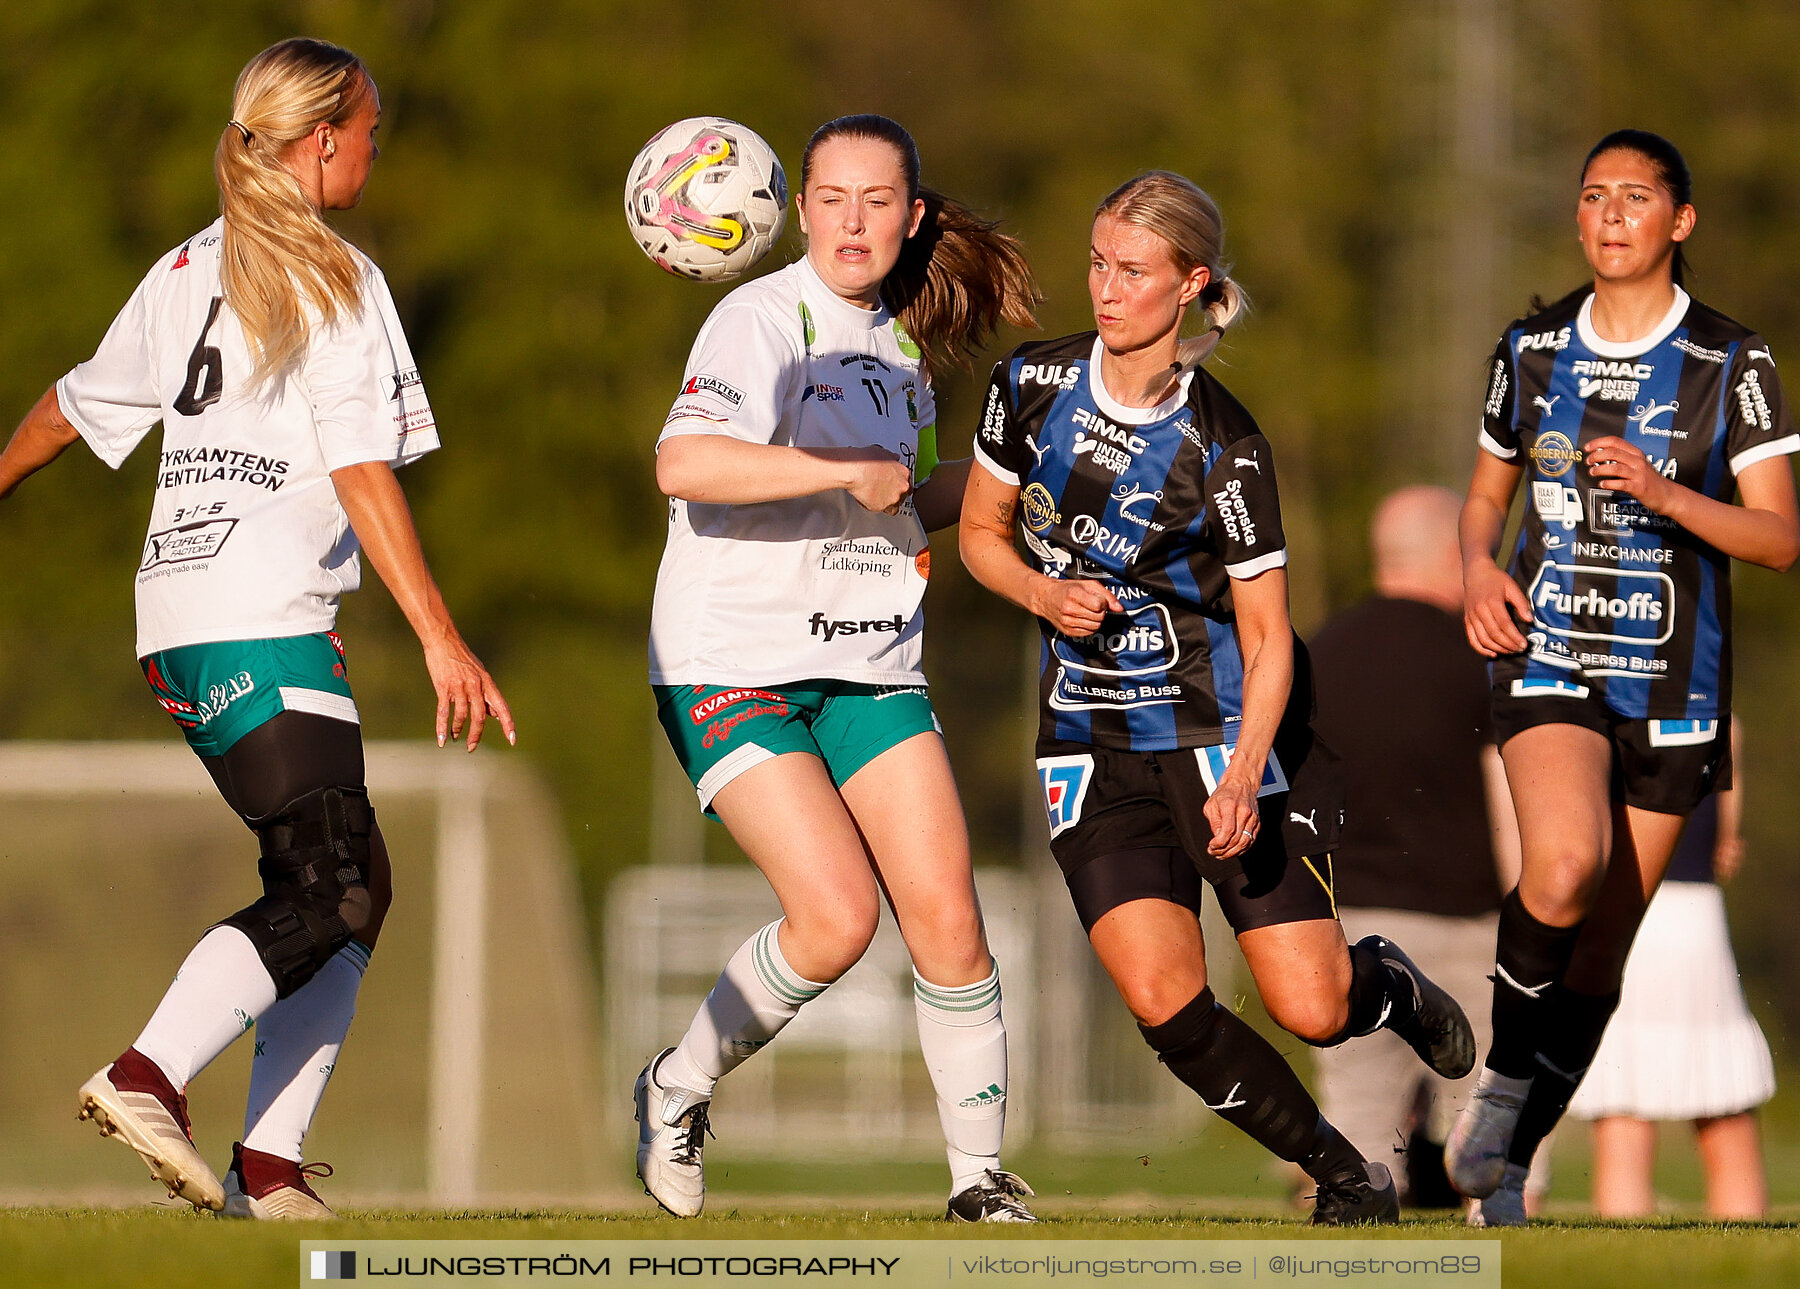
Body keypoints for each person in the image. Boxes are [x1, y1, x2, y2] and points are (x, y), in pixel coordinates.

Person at [0, 38, 513, 1218]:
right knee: (332, 885)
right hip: (257, 615)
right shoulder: (338, 275)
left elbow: (69, 406)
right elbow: (362, 471)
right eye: (369, 130)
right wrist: (437, 630)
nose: (377, 149)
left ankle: (268, 1169)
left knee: (352, 877)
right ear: (322, 138)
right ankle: (147, 1075)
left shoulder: (186, 264)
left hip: (178, 620)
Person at [959, 171, 1475, 1226]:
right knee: (1163, 997)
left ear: (1190, 285)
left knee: (1313, 1005)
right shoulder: (1030, 386)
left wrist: (1245, 773)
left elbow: (1268, 633)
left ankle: (1390, 984)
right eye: (1099, 262)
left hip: (1218, 735)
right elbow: (978, 532)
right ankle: (1343, 1174)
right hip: (1087, 742)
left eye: (1134, 270)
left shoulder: (1225, 447)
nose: (1106, 287)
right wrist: (1038, 587)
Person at [636, 114, 1041, 1222]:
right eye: (833, 198)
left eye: (878, 202)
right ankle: (677, 1083)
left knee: (948, 917)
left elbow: (899, 501)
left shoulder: (901, 348)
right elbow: (686, 461)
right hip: (729, 656)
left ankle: (978, 1181)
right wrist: (843, 468)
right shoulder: (758, 317)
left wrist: (1016, 476)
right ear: (798, 208)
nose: (854, 221)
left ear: (911, 217)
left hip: (867, 662)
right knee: (835, 917)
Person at [1448, 129, 1799, 1226]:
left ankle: (1513, 1158)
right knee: (1561, 864)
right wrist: (1471, 569)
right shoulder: (1532, 347)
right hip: (1550, 649)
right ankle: (1502, 1083)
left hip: (1676, 677)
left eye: (1634, 198)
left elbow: (1779, 538)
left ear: (1679, 222)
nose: (1608, 215)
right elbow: (1483, 497)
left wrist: (1665, 491)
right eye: (1592, 195)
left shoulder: (1733, 364)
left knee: (1605, 940)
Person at [1307, 485, 1530, 1209]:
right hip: (1466, 920)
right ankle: (1494, 1216)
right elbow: (1507, 792)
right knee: (1490, 1112)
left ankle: (1359, 1204)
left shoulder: (1318, 652)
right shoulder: (1482, 656)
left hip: (1348, 923)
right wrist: (1531, 911)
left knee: (1360, 1115)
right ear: (1450, 554)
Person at [1569, 721, 1775, 1219]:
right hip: (1694, 916)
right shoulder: (1718, 717)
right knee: (1723, 1106)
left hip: (1625, 910)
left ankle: (1622, 1261)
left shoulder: (1600, 716)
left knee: (1623, 1107)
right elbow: (1726, 844)